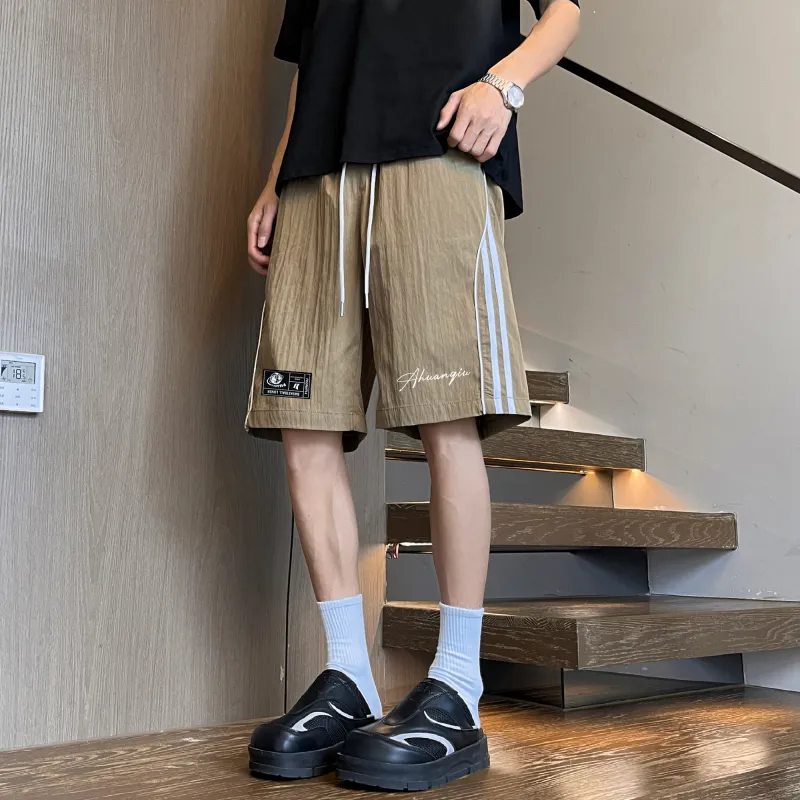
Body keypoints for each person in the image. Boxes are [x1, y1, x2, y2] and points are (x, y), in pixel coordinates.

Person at [244, 0, 580, 791]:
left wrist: (503, 87)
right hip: (318, 176)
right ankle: (349, 675)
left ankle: (458, 683)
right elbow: (310, 59)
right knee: (305, 423)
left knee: (443, 417)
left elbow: (565, 11)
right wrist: (276, 178)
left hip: (437, 152)